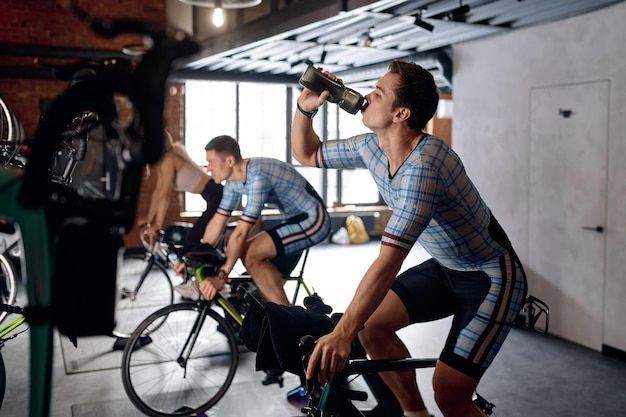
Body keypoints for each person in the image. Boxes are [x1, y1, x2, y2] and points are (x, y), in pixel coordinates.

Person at [291, 61, 527, 417]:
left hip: (490, 277)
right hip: (447, 267)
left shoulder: (425, 166)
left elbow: (388, 261)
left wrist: (341, 334)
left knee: (449, 393)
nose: (367, 96)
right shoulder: (372, 148)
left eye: (378, 92)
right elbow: (306, 154)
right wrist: (305, 110)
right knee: (371, 328)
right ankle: (416, 414)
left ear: (401, 113)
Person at [178, 134, 331, 307]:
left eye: (211, 162)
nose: (208, 168)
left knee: (250, 252)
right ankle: (278, 315)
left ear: (229, 161)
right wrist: (200, 255)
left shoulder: (257, 176)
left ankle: (288, 320)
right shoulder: (233, 184)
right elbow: (217, 222)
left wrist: (222, 276)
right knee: (251, 259)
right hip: (295, 220)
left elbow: (241, 233)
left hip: (314, 220)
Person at [136, 130, 223, 247]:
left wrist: (158, 224)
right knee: (194, 238)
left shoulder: (168, 160)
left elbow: (165, 194)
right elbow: (158, 192)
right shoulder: (163, 162)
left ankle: (212, 264)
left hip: (216, 194)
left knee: (193, 238)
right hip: (212, 195)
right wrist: (148, 218)